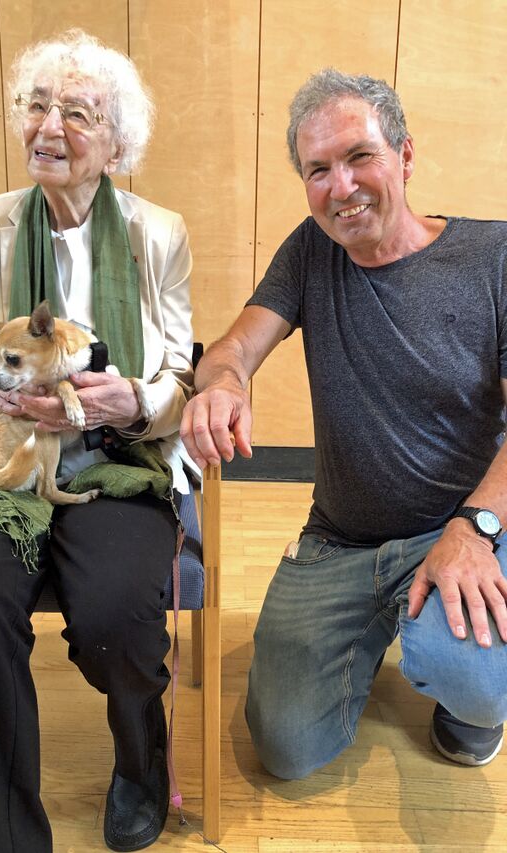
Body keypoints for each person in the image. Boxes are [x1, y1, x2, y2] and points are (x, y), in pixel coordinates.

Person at [0, 29, 197, 853]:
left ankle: (140, 756)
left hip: (114, 459)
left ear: (117, 145)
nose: (49, 127)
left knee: (117, 615)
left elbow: (179, 378)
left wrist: (134, 400)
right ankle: (4, 838)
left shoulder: (158, 235)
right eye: (36, 105)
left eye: (78, 113)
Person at [180, 68, 507, 781]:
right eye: (318, 169)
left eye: (360, 156)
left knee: (478, 682)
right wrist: (225, 383)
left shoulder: (493, 256)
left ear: (405, 156)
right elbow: (233, 348)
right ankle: (384, 625)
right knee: (286, 747)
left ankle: (462, 691)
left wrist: (475, 528)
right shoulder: (311, 250)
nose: (342, 186)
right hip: (340, 540)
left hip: (459, 528)